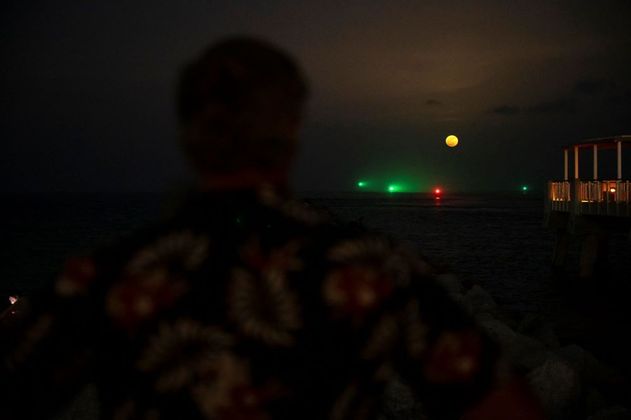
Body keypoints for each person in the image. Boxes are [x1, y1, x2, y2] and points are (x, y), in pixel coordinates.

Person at [0, 37, 543, 419]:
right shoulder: (370, 271)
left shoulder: (110, 279)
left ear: (189, 139)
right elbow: (500, 405)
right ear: (292, 131)